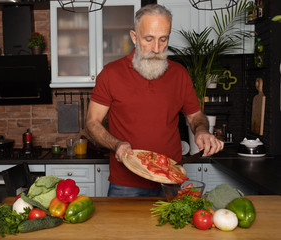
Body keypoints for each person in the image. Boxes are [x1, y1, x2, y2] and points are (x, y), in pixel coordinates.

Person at [85, 4, 224, 197]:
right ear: (134, 37)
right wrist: (116, 145)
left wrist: (201, 130)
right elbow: (92, 122)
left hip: (170, 179)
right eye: (148, 39)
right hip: (125, 184)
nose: (156, 49)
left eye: (163, 39)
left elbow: (195, 116)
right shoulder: (110, 74)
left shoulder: (179, 74)